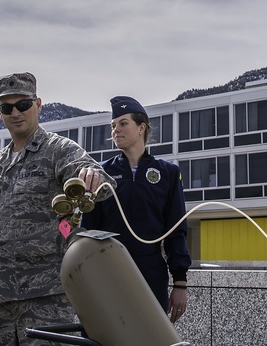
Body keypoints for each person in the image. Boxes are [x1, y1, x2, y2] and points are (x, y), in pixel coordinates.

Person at [0, 72, 115, 344]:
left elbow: (98, 179)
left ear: (38, 105)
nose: (16, 113)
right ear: (0, 113)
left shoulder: (59, 150)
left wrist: (91, 176)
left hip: (45, 298)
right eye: (7, 107)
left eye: (23, 104)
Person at [80, 95, 191, 323]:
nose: (115, 131)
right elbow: (88, 231)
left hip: (150, 272)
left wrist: (180, 283)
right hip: (109, 270)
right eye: (113, 126)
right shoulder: (101, 174)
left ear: (141, 128)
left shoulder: (167, 173)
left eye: (123, 124)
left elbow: (176, 230)